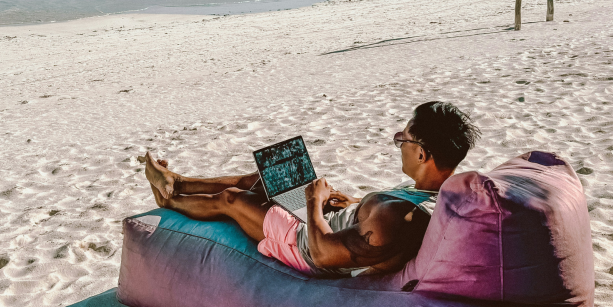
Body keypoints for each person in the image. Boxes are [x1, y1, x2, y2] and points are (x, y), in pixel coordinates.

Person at [142, 101, 481, 277]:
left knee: (233, 199)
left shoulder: (396, 219)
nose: (399, 144)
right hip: (332, 221)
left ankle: (169, 199)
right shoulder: (435, 192)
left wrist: (313, 202)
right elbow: (383, 216)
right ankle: (181, 181)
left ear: (422, 153)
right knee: (264, 179)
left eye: (402, 139)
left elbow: (321, 256)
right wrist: (353, 203)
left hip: (305, 242)